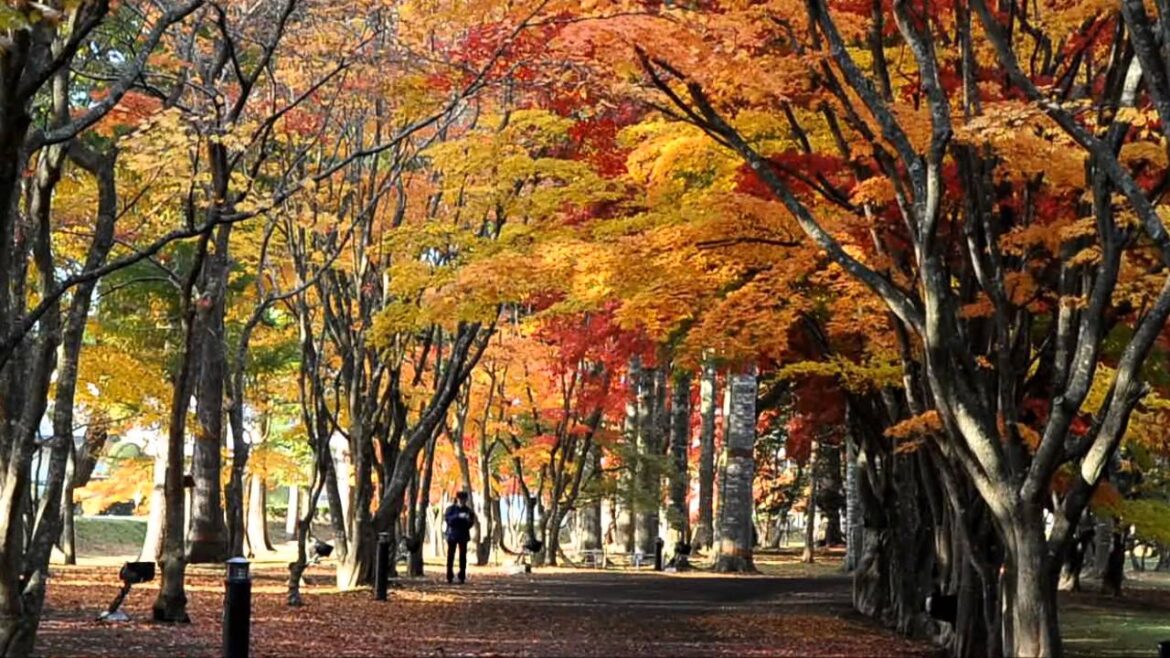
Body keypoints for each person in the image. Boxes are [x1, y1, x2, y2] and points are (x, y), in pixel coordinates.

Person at [444, 491, 477, 584]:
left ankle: (462, 575)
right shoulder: (450, 509)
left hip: (463, 535)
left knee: (463, 556)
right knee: (450, 556)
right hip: (452, 535)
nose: (462, 501)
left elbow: (471, 523)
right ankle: (449, 575)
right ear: (457, 499)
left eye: (464, 500)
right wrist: (458, 517)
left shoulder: (468, 510)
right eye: (460, 499)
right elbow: (448, 520)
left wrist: (466, 520)